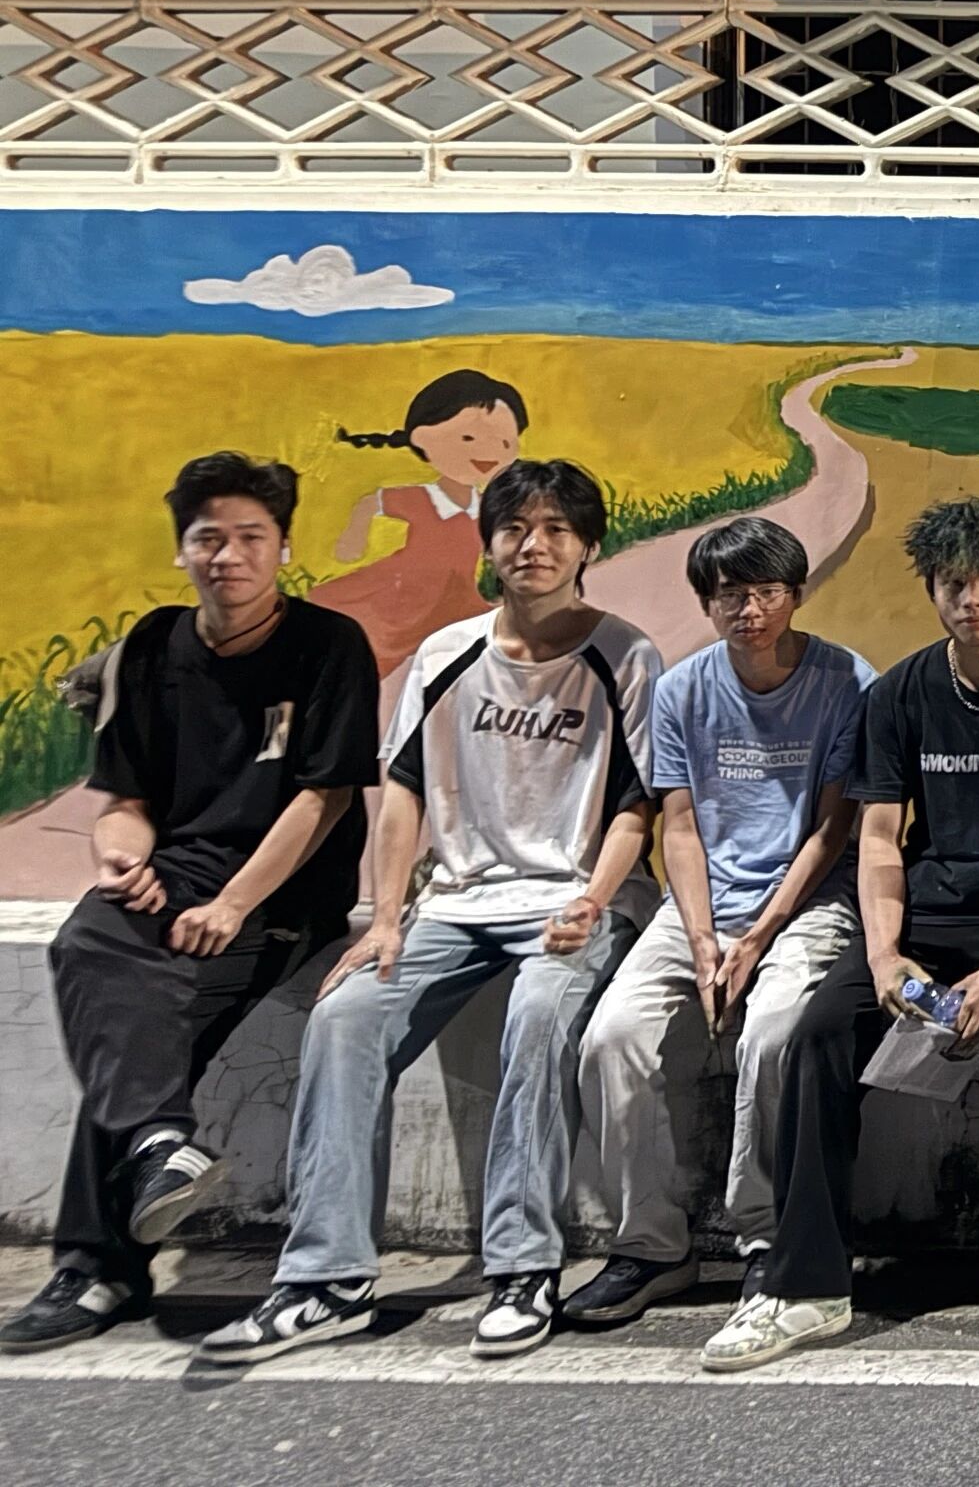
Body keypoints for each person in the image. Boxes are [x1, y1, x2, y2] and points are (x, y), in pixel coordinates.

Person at [199, 459, 663, 1364]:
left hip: (573, 899)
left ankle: (523, 1268)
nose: (533, 546)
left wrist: (594, 898)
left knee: (539, 1014)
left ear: (588, 547)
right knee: (345, 1017)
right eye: (514, 528)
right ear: (488, 544)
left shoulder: (625, 654)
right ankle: (326, 1278)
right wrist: (384, 918)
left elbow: (638, 805)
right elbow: (402, 792)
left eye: (556, 530)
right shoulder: (447, 654)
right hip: (453, 902)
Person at [702, 496, 979, 1373]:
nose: (971, 599)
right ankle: (808, 1280)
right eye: (952, 583)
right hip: (928, 910)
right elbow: (877, 839)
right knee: (817, 1034)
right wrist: (884, 955)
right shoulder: (899, 694)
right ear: (931, 591)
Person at [3, 456, 378, 1353]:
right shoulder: (149, 647)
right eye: (210, 539)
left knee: (137, 1023)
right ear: (182, 551)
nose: (229, 556)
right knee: (88, 945)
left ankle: (96, 1268)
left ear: (283, 547)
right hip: (173, 874)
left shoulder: (329, 646)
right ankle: (160, 1148)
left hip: (281, 895)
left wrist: (236, 905)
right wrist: (121, 857)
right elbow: (124, 800)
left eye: (251, 538)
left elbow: (323, 800)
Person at [568, 517, 875, 1325]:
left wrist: (758, 936)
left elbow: (832, 828)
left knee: (772, 1034)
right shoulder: (681, 690)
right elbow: (678, 824)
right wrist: (703, 939)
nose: (750, 611)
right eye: (731, 595)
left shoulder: (847, 681)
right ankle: (650, 1246)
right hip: (700, 903)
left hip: (810, 899)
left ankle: (764, 1235)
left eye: (767, 592)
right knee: (612, 1037)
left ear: (796, 594)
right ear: (706, 603)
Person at [315, 370, 528, 671]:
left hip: (458, 595)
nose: (489, 452)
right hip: (405, 594)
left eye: (505, 443)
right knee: (380, 649)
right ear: (423, 438)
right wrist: (354, 536)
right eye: (468, 438)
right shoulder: (421, 498)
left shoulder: (486, 507)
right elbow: (370, 503)